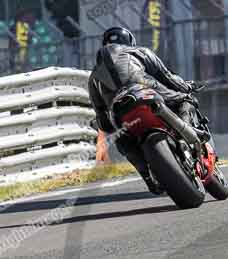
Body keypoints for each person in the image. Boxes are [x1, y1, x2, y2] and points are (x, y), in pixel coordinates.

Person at [87, 26, 203, 194]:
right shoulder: (140, 51)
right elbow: (167, 77)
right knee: (185, 100)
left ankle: (147, 177)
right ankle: (188, 133)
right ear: (129, 41)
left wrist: (109, 126)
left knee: (121, 138)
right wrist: (187, 87)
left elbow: (102, 119)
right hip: (146, 90)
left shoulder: (94, 77)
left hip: (119, 110)